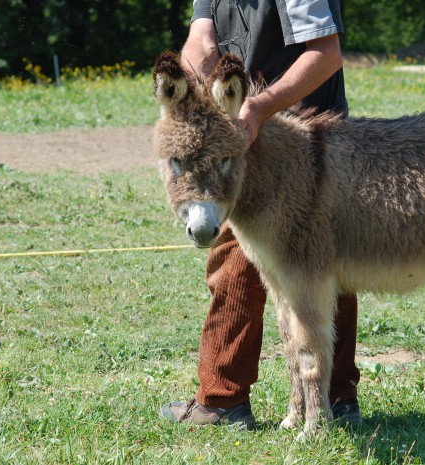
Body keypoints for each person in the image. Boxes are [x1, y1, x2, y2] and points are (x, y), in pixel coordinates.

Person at [159, 0, 361, 430]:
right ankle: (334, 397)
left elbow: (324, 54)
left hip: (306, 141)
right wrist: (197, 65)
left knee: (313, 262)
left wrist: (256, 108)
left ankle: (224, 398)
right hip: (244, 129)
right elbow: (200, 34)